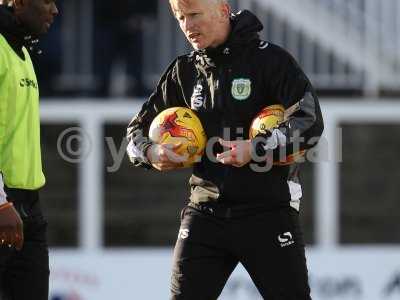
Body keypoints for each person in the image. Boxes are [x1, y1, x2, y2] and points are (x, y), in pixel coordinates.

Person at [126, 0, 324, 299]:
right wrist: (152, 154)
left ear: (221, 10)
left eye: (194, 15)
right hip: (205, 211)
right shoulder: (184, 71)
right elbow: (134, 134)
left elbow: (309, 122)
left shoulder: (270, 61)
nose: (187, 25)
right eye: (180, 17)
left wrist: (256, 148)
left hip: (268, 210)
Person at [0, 0, 58, 299]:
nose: (55, 10)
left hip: (27, 209)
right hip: (4, 206)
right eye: (47, 1)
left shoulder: (21, 50)